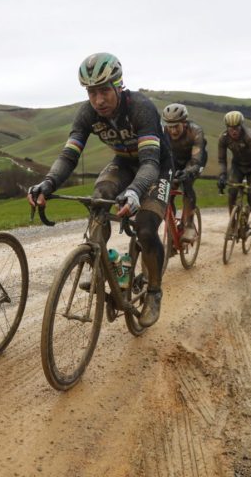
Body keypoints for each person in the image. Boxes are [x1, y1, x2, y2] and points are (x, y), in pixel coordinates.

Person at [27, 52, 172, 327]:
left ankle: (153, 291)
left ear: (118, 85)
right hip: (123, 162)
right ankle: (105, 265)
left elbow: (150, 163)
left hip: (156, 167)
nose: (98, 100)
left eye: (104, 91)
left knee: (145, 227)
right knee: (99, 201)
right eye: (92, 92)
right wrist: (48, 182)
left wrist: (135, 191)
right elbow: (69, 156)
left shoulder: (140, 108)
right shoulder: (87, 113)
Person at [161, 103, 206, 243]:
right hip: (175, 160)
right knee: (167, 189)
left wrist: (188, 172)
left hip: (194, 160)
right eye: (170, 126)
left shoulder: (195, 131)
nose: (173, 131)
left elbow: (195, 159)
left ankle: (190, 224)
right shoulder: (163, 132)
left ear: (184, 123)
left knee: (186, 183)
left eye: (176, 126)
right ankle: (171, 226)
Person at [217, 111, 251, 238]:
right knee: (232, 192)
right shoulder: (223, 138)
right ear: (227, 127)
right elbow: (222, 160)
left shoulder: (249, 137)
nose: (234, 131)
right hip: (237, 166)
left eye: (237, 128)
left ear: (241, 126)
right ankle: (232, 225)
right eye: (231, 128)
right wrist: (222, 175)